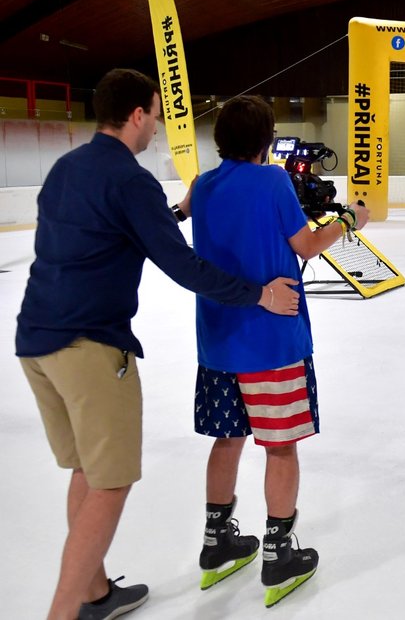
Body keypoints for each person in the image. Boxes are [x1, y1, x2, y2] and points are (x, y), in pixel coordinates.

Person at [16, 69, 300, 620]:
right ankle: (64, 613)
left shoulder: (68, 168)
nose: (160, 125)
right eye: (157, 112)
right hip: (88, 346)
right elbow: (184, 265)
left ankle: (94, 593)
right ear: (138, 115)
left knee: (87, 472)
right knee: (111, 482)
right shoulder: (130, 178)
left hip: (36, 341)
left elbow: (122, 230)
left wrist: (178, 211)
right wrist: (258, 295)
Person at [187, 95, 369, 607]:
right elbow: (307, 245)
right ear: (266, 139)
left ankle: (216, 541)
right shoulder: (271, 181)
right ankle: (278, 552)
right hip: (271, 342)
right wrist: (352, 219)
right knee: (280, 445)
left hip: (219, 342)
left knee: (228, 440)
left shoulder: (203, 186)